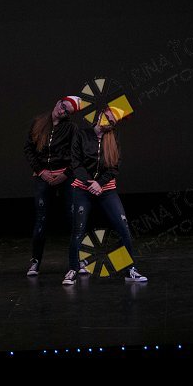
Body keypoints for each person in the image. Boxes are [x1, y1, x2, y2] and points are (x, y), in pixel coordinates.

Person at [62, 106, 147, 286]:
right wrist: (90, 183)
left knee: (123, 227)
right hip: (82, 188)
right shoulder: (82, 134)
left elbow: (115, 166)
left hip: (106, 189)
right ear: (100, 115)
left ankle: (130, 269)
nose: (108, 123)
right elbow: (76, 163)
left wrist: (99, 183)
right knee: (78, 229)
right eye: (107, 118)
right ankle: (73, 269)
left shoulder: (112, 137)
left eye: (112, 122)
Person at [23, 96, 80, 277]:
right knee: (41, 219)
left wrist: (65, 174)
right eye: (63, 106)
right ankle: (35, 261)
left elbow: (77, 154)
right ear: (58, 102)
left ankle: (78, 260)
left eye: (67, 111)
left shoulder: (71, 128)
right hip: (43, 175)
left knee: (73, 217)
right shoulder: (38, 123)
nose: (62, 111)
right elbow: (29, 149)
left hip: (65, 176)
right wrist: (41, 171)